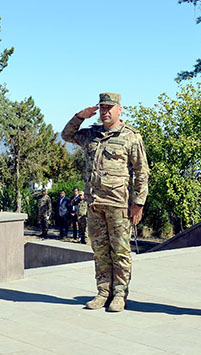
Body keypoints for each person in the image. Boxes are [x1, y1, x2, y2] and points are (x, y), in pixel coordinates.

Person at [62, 92, 149, 312]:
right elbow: (66, 134)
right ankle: (103, 292)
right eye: (102, 108)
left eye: (110, 108)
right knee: (100, 250)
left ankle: (119, 294)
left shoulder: (131, 136)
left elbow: (141, 171)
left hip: (119, 204)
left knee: (120, 251)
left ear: (119, 109)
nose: (105, 112)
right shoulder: (91, 135)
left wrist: (138, 203)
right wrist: (79, 116)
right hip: (94, 203)